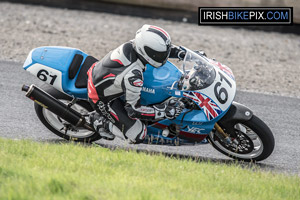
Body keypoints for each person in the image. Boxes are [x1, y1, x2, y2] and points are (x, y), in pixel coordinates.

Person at [87, 24, 185, 143]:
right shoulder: (133, 76)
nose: (163, 57)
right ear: (148, 53)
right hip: (101, 98)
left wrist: (183, 53)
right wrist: (164, 111)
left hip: (104, 74)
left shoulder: (136, 44)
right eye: (159, 55)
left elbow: (163, 50)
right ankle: (99, 121)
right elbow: (133, 110)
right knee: (138, 135)